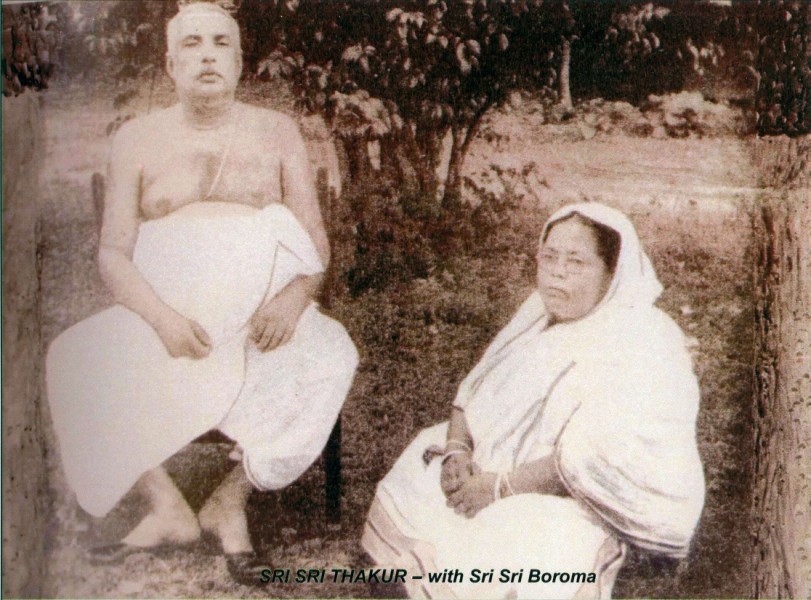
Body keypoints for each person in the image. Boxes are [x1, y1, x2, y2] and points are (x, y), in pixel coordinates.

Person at [46, 2, 358, 584]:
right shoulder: (136, 139)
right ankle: (167, 507)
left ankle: (228, 501)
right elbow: (113, 252)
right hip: (172, 318)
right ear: (170, 63)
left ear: (240, 63)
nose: (208, 54)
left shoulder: (277, 132)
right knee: (73, 359)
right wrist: (162, 319)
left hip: (261, 317)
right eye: (192, 44)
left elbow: (314, 241)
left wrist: (291, 302)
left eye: (221, 43)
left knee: (330, 353)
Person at [362, 202, 705, 599]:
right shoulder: (540, 311)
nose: (557, 272)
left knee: (530, 537)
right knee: (425, 459)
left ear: (612, 273)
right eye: (549, 257)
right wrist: (457, 451)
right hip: (497, 461)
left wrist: (498, 488)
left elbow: (592, 460)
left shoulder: (642, 338)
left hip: (576, 492)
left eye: (576, 262)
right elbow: (473, 389)